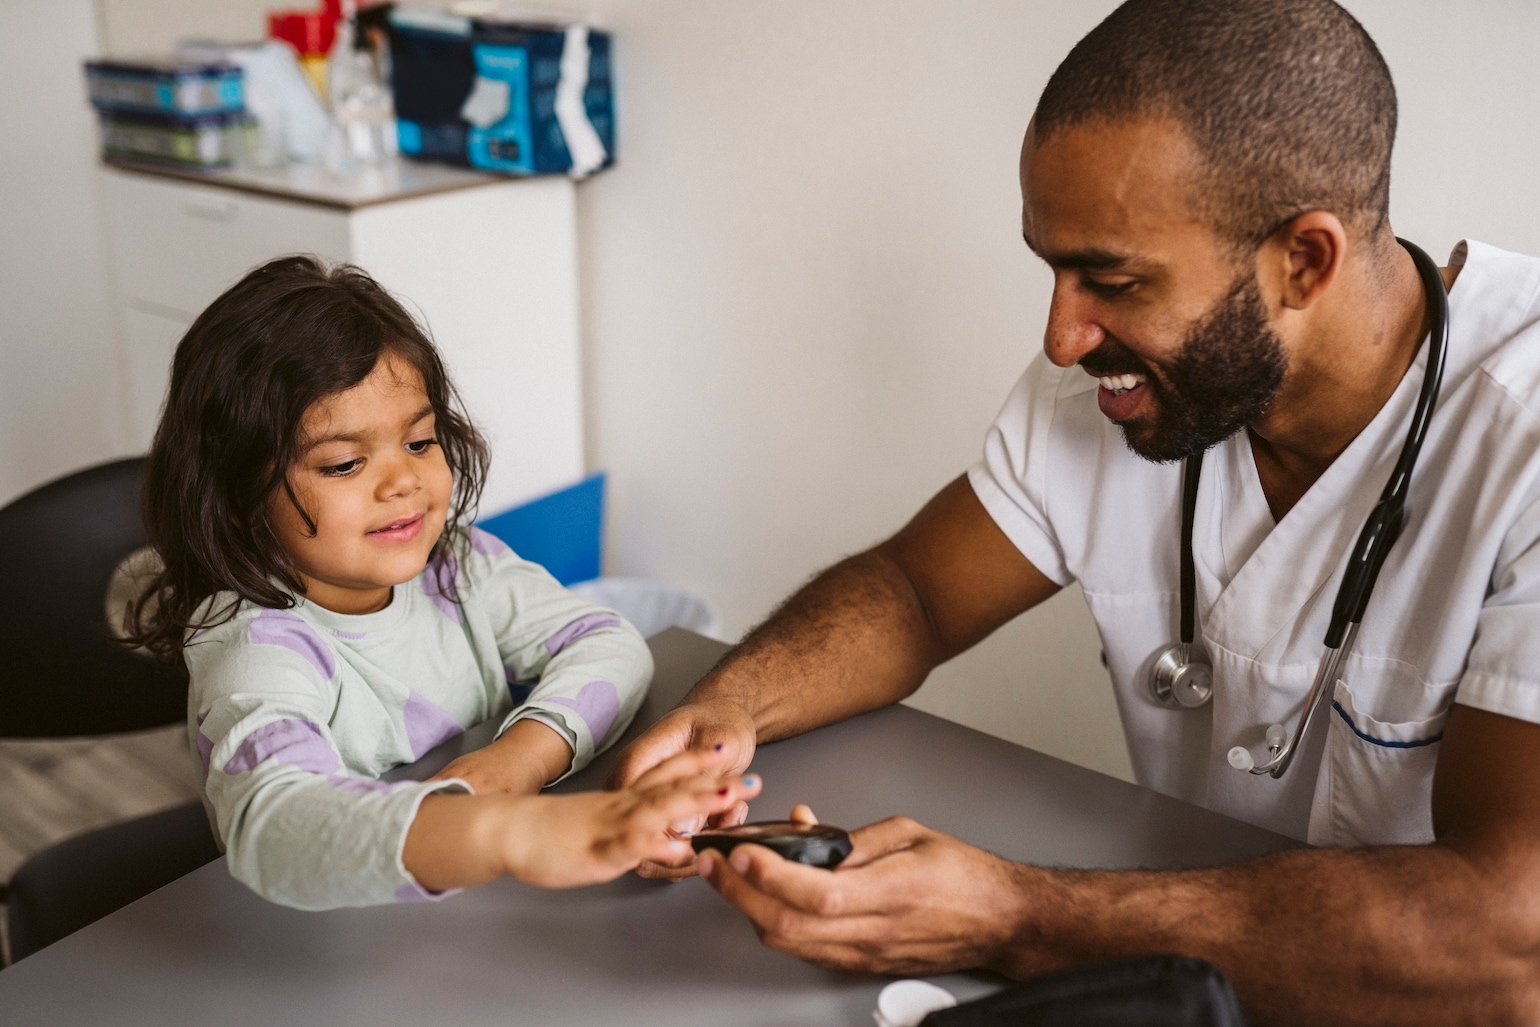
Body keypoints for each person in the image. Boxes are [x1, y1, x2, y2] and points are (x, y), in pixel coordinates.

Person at [609, 0, 1540, 1020]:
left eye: (1110, 280)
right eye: (1052, 268)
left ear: (1302, 262)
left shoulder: (1520, 439)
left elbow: (1505, 939)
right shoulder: (1125, 385)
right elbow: (917, 591)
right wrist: (730, 709)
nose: (1060, 336)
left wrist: (1009, 915)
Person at [125, 256, 760, 910]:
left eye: (420, 441)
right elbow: (277, 821)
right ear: (236, 495)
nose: (403, 481)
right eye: (345, 462)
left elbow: (608, 642)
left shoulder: (458, 565)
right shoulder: (256, 643)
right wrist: (514, 832)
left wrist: (520, 759)